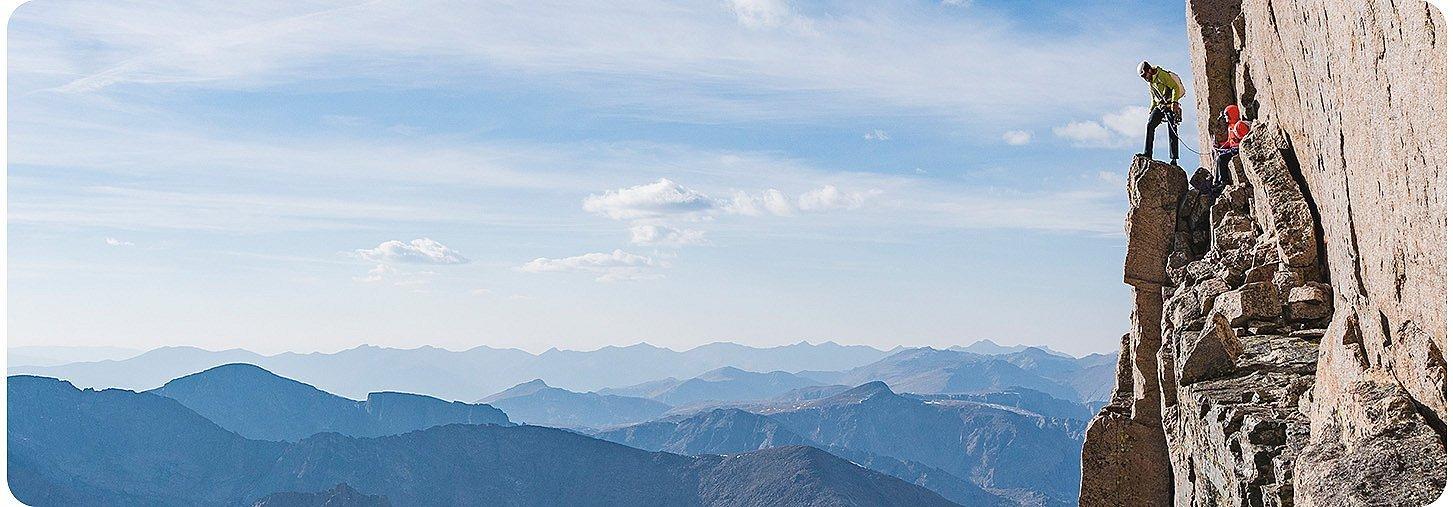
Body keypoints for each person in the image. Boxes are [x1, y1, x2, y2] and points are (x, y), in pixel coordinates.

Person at [1138, 61, 1185, 164]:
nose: (1145, 78)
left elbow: (1174, 87)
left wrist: (1174, 102)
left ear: (1149, 70)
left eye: (1145, 75)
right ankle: (1148, 153)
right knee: (1150, 126)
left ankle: (1174, 159)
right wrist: (1151, 110)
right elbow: (1154, 98)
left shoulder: (1162, 75)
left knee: (1172, 129)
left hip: (1170, 104)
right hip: (1160, 106)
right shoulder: (1151, 83)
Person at [1213, 104, 1250, 190]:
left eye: (1227, 115)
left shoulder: (1239, 126)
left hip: (1237, 150)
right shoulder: (1230, 127)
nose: (1226, 118)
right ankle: (1217, 181)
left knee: (1221, 158)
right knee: (1218, 157)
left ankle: (1223, 181)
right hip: (1233, 149)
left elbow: (1242, 140)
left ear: (1232, 114)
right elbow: (1230, 142)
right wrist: (1221, 148)